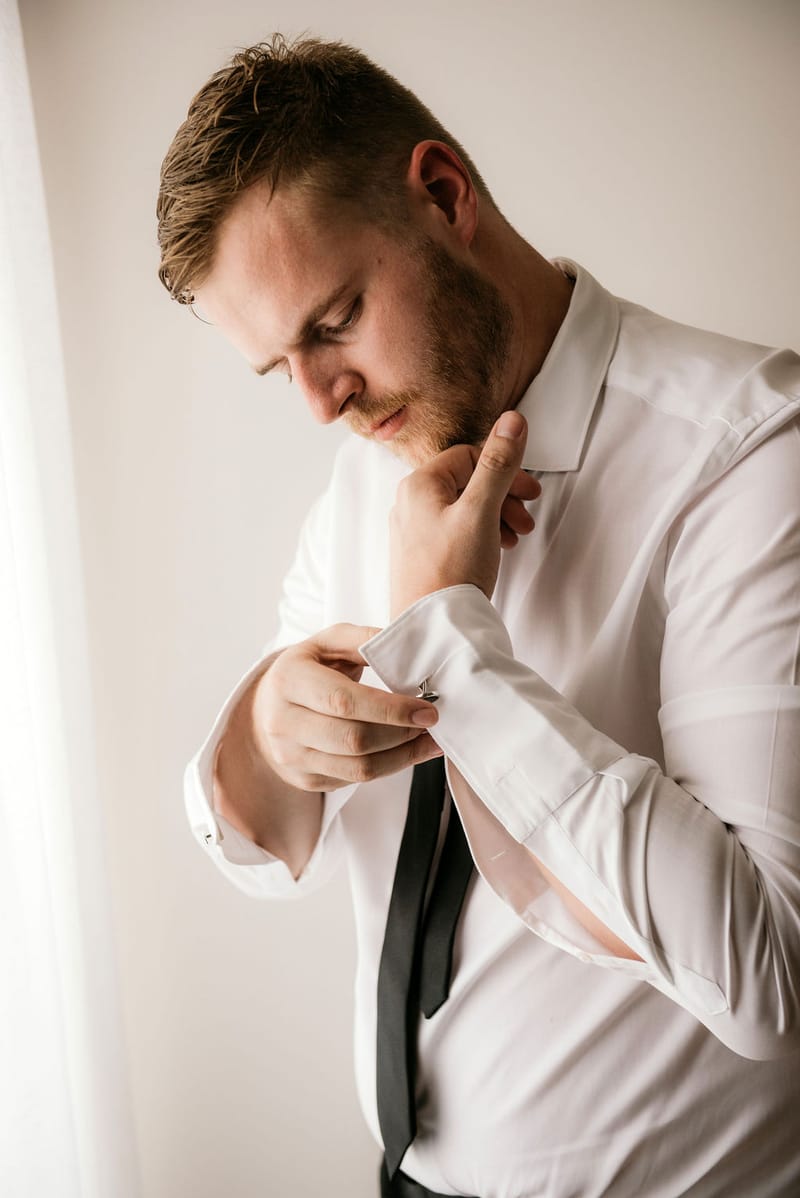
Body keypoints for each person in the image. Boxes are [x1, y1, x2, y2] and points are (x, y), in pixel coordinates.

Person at [157, 34, 800, 1198]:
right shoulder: (370, 468)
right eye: (275, 369)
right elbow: (259, 842)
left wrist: (451, 635)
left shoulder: (746, 453)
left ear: (443, 196)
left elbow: (767, 980)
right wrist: (264, 732)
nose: (317, 403)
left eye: (332, 321)